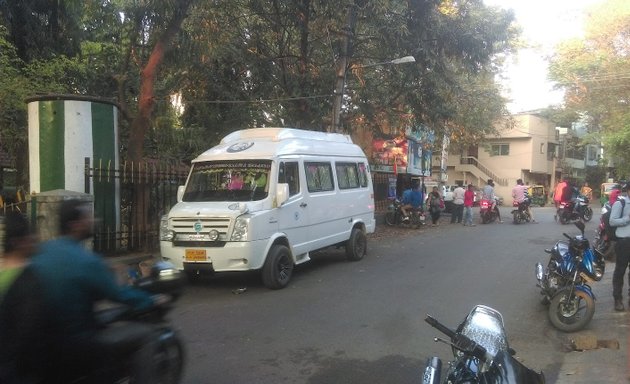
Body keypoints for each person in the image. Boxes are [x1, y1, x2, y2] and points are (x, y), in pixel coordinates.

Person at [30, 199, 163, 383]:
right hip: (78, 342)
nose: (94, 221)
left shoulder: (42, 251)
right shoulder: (85, 260)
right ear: (75, 225)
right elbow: (118, 294)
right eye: (88, 217)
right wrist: (150, 300)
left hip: (44, 342)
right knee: (147, 336)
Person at [0, 211, 50, 383]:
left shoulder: (5, 274)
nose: (35, 238)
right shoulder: (29, 281)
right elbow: (28, 337)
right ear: (18, 242)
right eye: (30, 234)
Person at [608, 182, 630, 311]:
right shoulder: (620, 204)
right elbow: (612, 220)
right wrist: (627, 219)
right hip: (623, 242)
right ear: (627, 191)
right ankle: (618, 299)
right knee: (620, 271)